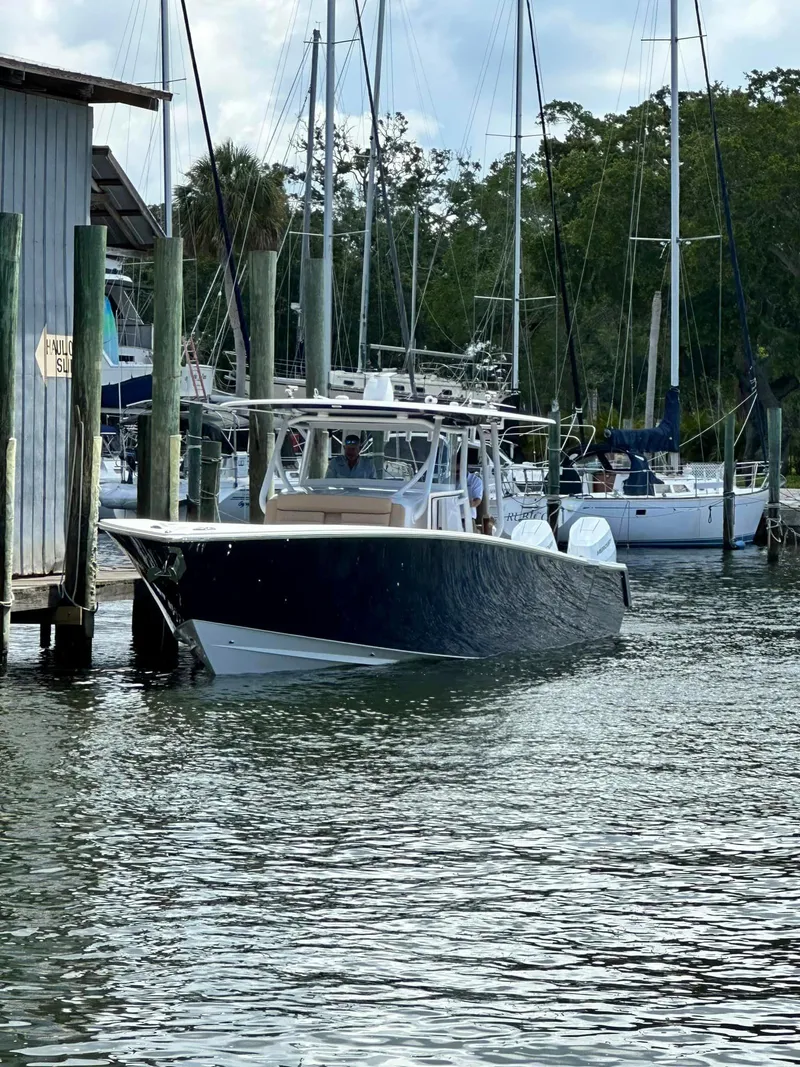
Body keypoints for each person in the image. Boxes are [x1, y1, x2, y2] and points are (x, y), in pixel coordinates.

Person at [456, 453, 483, 521]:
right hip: (450, 516)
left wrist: (471, 503)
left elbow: (478, 500)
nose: (457, 474)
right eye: (455, 471)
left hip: (467, 517)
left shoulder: (475, 480)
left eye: (458, 471)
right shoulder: (448, 481)